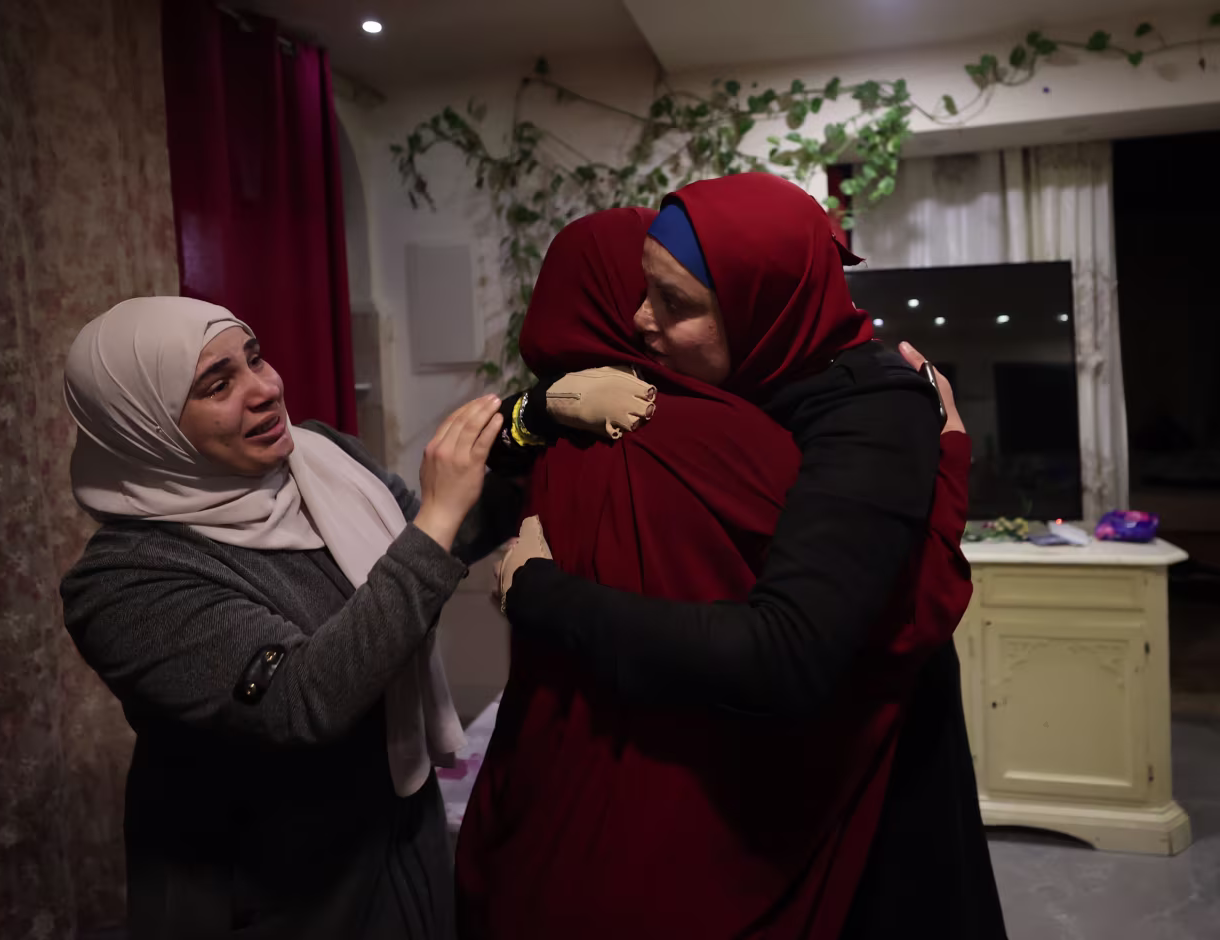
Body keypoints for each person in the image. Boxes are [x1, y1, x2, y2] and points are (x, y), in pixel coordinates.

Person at [458, 179, 1002, 938]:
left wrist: (542, 594)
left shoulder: (869, 408)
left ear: (759, 301)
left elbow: (785, 651)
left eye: (673, 301)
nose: (640, 319)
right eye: (641, 290)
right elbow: (485, 490)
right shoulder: (742, 372)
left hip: (873, 769)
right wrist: (537, 411)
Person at [57, 297, 653, 939]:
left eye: (255, 358)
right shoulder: (126, 583)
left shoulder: (322, 461)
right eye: (218, 385)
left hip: (398, 845)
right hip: (278, 894)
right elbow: (302, 698)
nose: (264, 389)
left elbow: (445, 538)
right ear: (144, 426)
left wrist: (529, 420)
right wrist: (437, 518)